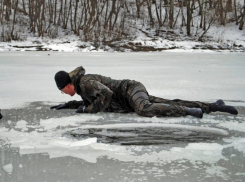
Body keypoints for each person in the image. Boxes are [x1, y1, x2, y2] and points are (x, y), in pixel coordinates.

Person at [51, 66, 238, 118]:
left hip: (130, 90)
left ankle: (188, 112)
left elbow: (106, 94)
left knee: (144, 109)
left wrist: (90, 110)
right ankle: (214, 106)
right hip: (128, 100)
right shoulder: (82, 90)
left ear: (67, 85)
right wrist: (69, 105)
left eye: (62, 92)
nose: (64, 94)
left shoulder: (85, 82)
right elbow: (88, 103)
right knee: (167, 103)